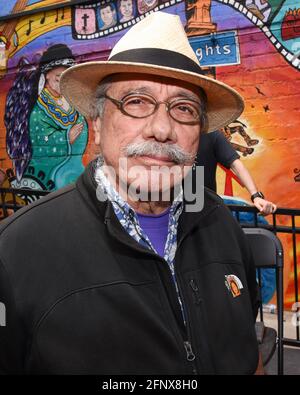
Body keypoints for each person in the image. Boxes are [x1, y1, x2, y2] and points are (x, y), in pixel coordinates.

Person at [0, 12, 260, 374]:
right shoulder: (15, 254)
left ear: (198, 135)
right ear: (99, 126)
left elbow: (248, 354)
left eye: (183, 109)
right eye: (136, 101)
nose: (162, 129)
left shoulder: (224, 227)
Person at [5, 44, 88, 191]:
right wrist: (66, 137)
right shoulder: (39, 110)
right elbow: (40, 141)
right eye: (58, 78)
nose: (61, 84)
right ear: (47, 75)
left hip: (74, 166)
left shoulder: (71, 101)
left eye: (65, 78)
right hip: (51, 172)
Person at [196, 130, 277, 215]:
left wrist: (256, 196)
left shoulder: (212, 135)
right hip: (186, 203)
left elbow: (236, 165)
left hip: (204, 208)